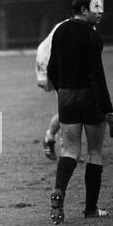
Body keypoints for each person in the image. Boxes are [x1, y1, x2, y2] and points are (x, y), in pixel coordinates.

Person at [47, 0, 113, 225]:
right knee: (95, 152)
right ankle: (90, 209)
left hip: (66, 96)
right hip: (90, 97)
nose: (101, 12)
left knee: (69, 151)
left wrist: (63, 91)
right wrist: (108, 111)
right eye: (96, 7)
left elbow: (51, 70)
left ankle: (59, 191)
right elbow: (97, 77)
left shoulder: (59, 30)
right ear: (84, 10)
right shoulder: (92, 36)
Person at [36, 19, 68, 161]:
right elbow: (44, 50)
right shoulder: (65, 27)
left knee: (74, 110)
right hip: (56, 70)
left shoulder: (90, 28)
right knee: (66, 110)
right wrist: (42, 75)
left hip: (73, 71)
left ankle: (65, 146)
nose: (99, 14)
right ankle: (57, 142)